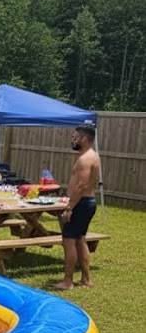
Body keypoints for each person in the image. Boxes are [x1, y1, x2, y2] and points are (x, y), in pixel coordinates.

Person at [51, 124, 101, 290]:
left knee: (69, 241)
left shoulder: (85, 159)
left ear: (84, 139)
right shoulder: (92, 156)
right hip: (87, 202)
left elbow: (81, 185)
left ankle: (67, 281)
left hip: (81, 203)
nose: (72, 140)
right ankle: (86, 279)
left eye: (75, 138)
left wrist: (69, 208)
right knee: (80, 240)